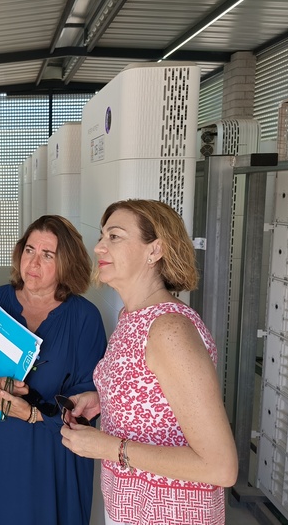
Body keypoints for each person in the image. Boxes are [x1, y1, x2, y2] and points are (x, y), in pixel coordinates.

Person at [60, 199, 239, 525]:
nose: (99, 246)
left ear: (154, 251)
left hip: (170, 513)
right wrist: (103, 401)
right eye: (102, 236)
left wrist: (109, 448)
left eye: (114, 236)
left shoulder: (169, 330)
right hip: (132, 507)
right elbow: (157, 395)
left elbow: (220, 466)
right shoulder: (132, 316)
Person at [0, 214, 107, 525]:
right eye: (29, 250)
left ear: (67, 263)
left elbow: (90, 398)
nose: (34, 262)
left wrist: (35, 410)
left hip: (53, 454)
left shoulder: (85, 317)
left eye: (47, 255)